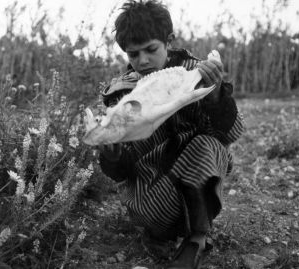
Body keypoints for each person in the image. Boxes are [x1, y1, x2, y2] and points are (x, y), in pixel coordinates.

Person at [98, 1, 245, 268]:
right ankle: (173, 234)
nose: (143, 61)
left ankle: (196, 239)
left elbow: (232, 133)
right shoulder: (119, 95)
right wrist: (112, 154)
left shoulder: (199, 72)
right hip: (152, 200)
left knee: (207, 144)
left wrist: (216, 96)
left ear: (169, 41)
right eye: (133, 55)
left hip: (199, 184)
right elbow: (121, 173)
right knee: (201, 148)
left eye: (151, 50)